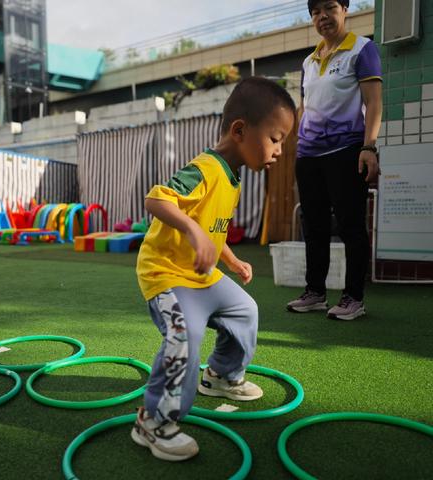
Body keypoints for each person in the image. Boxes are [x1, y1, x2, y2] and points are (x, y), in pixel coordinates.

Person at [132, 77, 296, 461]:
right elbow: (156, 200)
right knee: (182, 337)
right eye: (275, 138)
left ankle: (220, 376)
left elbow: (212, 229)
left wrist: (231, 259)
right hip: (167, 274)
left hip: (202, 274)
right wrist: (190, 229)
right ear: (240, 130)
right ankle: (152, 422)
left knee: (245, 310)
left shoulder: (232, 177)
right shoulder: (205, 168)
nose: (279, 151)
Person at [287, 0, 382, 320]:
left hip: (346, 151)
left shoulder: (362, 49)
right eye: (315, 12)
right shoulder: (308, 61)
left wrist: (369, 147)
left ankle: (354, 297)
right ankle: (315, 292)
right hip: (309, 154)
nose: (322, 17)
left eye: (329, 7)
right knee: (312, 226)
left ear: (344, 8)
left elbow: (374, 102)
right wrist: (299, 148)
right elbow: (306, 107)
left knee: (351, 225)